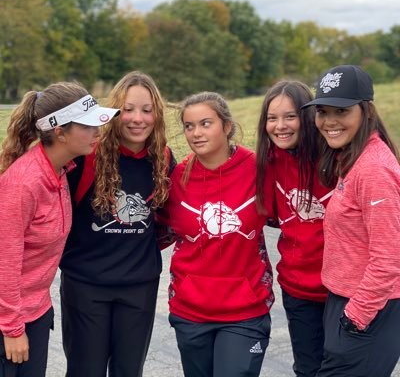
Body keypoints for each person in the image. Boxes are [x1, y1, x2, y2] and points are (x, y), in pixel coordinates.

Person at [59, 71, 175, 377]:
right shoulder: (86, 155)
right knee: (86, 370)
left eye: (147, 110)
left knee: (128, 371)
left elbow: (167, 218)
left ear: (157, 115)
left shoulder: (163, 159)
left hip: (139, 286)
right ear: (113, 113)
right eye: (128, 109)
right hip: (85, 286)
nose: (138, 119)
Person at [0, 82, 118, 377]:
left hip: (37, 311)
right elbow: (5, 261)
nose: (97, 133)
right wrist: (12, 328)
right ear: (60, 132)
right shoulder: (24, 182)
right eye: (89, 126)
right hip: (9, 320)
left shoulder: (61, 170)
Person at [158, 92, 274, 377]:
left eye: (205, 123)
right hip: (191, 311)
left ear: (227, 126)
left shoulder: (258, 169)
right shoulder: (179, 177)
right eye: (189, 126)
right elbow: (161, 230)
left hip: (245, 312)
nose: (196, 133)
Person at [301, 64, 400, 377]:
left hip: (369, 310)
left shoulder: (374, 169)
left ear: (366, 111)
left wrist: (355, 316)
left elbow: (389, 259)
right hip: (347, 300)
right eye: (323, 111)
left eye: (341, 111)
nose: (329, 122)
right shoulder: (351, 158)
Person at [255, 81, 334, 377]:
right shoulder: (270, 162)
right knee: (307, 368)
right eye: (272, 118)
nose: (280, 126)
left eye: (290, 116)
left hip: (340, 290)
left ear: (309, 117)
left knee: (339, 368)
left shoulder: (334, 159)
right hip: (298, 289)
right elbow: (270, 215)